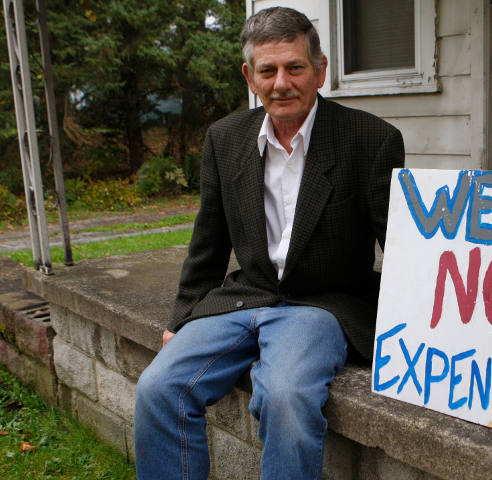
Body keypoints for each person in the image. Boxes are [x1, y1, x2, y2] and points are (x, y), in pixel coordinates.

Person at [133, 7, 404, 480]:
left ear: (320, 70)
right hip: (245, 294)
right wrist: (183, 315)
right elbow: (208, 238)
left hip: (321, 305)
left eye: (295, 67)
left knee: (284, 396)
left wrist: (415, 334)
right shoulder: (225, 138)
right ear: (249, 76)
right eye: (268, 70)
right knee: (158, 387)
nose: (282, 82)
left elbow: (401, 249)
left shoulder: (370, 139)